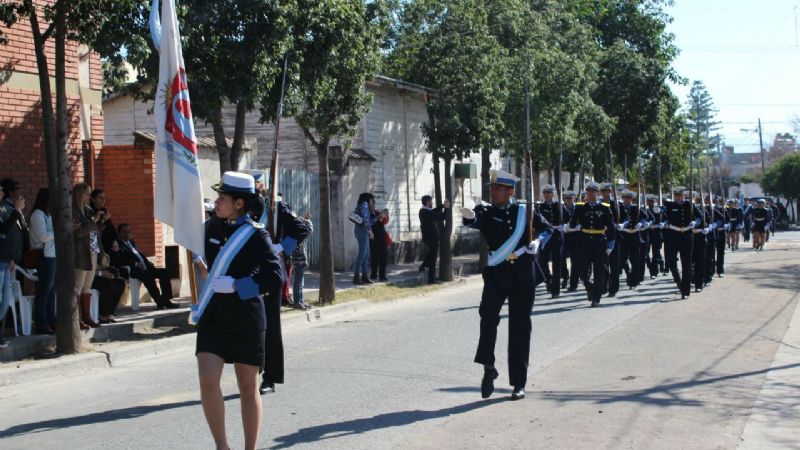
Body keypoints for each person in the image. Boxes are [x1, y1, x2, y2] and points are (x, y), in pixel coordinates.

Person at [196, 171, 283, 450]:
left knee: (247, 388)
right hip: (214, 317)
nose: (217, 202)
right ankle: (222, 447)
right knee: (208, 380)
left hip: (246, 318)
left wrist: (238, 285)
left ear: (239, 204)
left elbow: (274, 275)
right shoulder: (211, 228)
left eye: (222, 197)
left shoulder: (257, 236)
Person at [461, 169, 552, 401]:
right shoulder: (487, 212)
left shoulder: (525, 211)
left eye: (497, 189)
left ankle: (519, 383)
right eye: (491, 188)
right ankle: (489, 367)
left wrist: (537, 241)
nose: (492, 192)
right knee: (488, 315)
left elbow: (549, 230)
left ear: (510, 191)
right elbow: (476, 220)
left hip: (523, 275)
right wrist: (470, 216)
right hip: (497, 274)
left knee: (521, 328)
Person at [567, 181, 615, 307]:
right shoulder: (580, 206)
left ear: (597, 192)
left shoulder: (604, 207)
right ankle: (590, 288)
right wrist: (575, 225)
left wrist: (611, 243)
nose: (591, 194)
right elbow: (572, 222)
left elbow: (611, 226)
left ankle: (596, 298)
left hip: (599, 241)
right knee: (582, 271)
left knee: (599, 271)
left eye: (593, 191)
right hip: (585, 241)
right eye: (588, 191)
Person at [111, 223, 179, 309]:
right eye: (125, 232)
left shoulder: (131, 242)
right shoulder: (118, 244)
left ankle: (166, 300)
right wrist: (135, 264)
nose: (127, 234)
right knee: (148, 277)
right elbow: (120, 259)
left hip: (146, 266)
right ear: (119, 233)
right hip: (134, 270)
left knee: (164, 272)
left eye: (129, 232)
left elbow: (138, 254)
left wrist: (147, 262)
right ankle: (159, 302)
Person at [0, 178, 28, 345]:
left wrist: (11, 257)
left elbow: (6, 237)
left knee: (6, 299)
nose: (2, 193)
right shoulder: (7, 209)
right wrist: (16, 211)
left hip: (5, 259)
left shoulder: (3, 209)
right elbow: (2, 230)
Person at [663, 187, 701, 299]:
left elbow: (700, 216)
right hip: (673, 236)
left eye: (680, 195)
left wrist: (695, 222)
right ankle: (678, 280)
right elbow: (664, 216)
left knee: (686, 264)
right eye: (676, 195)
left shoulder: (690, 205)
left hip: (687, 237)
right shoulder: (669, 205)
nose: (678, 197)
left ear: (683, 195)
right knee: (671, 261)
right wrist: (664, 222)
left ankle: (686, 291)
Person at [73, 183, 101, 329]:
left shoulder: (88, 209)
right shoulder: (74, 211)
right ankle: (76, 319)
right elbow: (78, 233)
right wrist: (92, 221)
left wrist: (100, 221)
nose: (89, 197)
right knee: (78, 284)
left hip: (92, 250)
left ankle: (87, 316)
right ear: (79, 195)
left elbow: (93, 229)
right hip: (81, 252)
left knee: (87, 285)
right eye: (86, 194)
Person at [29, 188, 57, 334]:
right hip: (43, 257)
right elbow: (43, 237)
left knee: (52, 291)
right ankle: (41, 322)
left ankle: (52, 319)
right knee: (44, 291)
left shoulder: (49, 214)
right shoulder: (37, 214)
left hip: (52, 255)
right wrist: (58, 230)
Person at [537, 185, 566, 298]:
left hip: (557, 236)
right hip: (545, 236)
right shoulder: (540, 207)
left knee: (557, 263)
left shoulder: (558, 206)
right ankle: (548, 279)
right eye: (545, 193)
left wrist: (563, 225)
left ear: (553, 194)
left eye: (549, 193)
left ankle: (556, 290)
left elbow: (567, 219)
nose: (547, 195)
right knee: (542, 262)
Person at [419, 195, 450, 284]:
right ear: (428, 202)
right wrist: (446, 208)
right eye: (431, 201)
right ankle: (431, 279)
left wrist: (442, 206)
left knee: (432, 254)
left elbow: (434, 210)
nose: (432, 203)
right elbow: (442, 217)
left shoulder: (424, 211)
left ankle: (424, 267)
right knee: (433, 258)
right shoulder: (426, 213)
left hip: (429, 237)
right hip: (431, 237)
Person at [291, 211, 314, 310]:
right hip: (298, 261)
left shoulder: (298, 234)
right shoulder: (298, 235)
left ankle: (300, 300)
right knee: (298, 282)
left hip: (300, 261)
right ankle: (297, 302)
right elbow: (310, 230)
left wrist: (304, 219)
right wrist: (307, 220)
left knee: (300, 282)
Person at [352, 193, 375, 285]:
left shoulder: (361, 205)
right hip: (363, 232)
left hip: (362, 231)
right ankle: (356, 276)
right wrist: (370, 231)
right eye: (371, 199)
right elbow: (365, 220)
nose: (372, 201)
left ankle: (365, 276)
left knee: (366, 254)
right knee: (362, 254)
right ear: (368, 199)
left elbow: (368, 220)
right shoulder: (364, 205)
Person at [561, 191, 580, 291]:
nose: (568, 200)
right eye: (566, 198)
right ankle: (564, 276)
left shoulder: (579, 207)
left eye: (570, 198)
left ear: (574, 198)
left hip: (576, 237)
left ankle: (574, 284)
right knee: (561, 258)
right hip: (564, 236)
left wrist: (579, 225)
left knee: (575, 261)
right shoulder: (561, 208)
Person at [646, 195, 665, 278]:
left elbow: (665, 219)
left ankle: (654, 272)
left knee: (655, 253)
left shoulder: (659, 209)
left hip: (657, 234)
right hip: (647, 234)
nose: (650, 203)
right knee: (646, 254)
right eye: (649, 201)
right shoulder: (645, 209)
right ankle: (653, 266)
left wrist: (660, 213)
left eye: (652, 201)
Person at [370, 209, 390, 282]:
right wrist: (378, 217)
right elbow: (370, 223)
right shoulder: (369, 213)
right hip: (374, 238)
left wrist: (386, 216)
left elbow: (385, 222)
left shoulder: (377, 212)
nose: (373, 204)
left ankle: (382, 276)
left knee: (384, 257)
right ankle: (373, 275)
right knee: (375, 256)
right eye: (372, 202)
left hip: (382, 237)